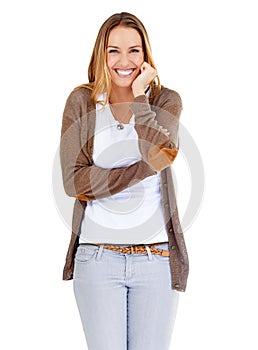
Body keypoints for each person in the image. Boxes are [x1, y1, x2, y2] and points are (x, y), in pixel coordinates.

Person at [60, 12, 189, 350]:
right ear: (100, 54)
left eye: (134, 50)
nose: (124, 60)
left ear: (145, 55)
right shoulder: (82, 102)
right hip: (97, 259)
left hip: (157, 259)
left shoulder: (166, 100)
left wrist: (140, 97)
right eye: (113, 50)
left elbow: (158, 150)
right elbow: (74, 182)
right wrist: (145, 168)